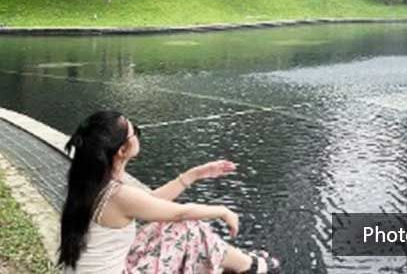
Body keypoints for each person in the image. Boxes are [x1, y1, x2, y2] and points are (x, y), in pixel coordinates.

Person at [59, 111, 279, 274]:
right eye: (134, 130)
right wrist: (222, 210)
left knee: (167, 227)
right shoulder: (118, 195)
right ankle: (248, 266)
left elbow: (150, 202)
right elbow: (180, 213)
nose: (138, 132)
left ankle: (236, 263)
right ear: (122, 151)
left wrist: (194, 174)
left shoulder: (91, 183)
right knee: (190, 228)